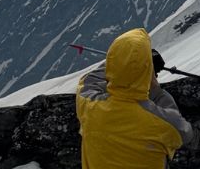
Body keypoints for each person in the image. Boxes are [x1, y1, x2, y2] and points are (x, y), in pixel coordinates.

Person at [76, 28, 193, 169]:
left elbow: (90, 80)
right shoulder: (161, 124)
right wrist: (154, 86)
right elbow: (185, 132)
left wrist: (126, 60)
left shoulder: (89, 105)